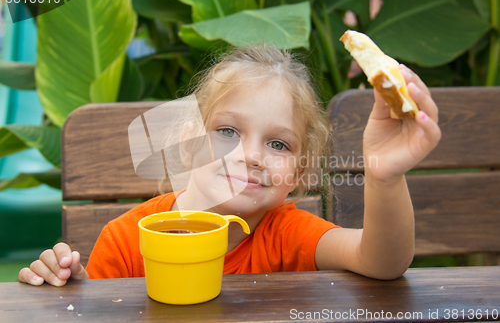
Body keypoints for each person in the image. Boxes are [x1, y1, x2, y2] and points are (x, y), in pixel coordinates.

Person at [18, 45, 441, 286]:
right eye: (227, 132)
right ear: (188, 147)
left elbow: (382, 262)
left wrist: (385, 175)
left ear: (295, 175)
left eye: (277, 143)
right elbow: (95, 309)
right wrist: (67, 284)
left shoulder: (287, 233)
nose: (252, 156)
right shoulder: (127, 241)